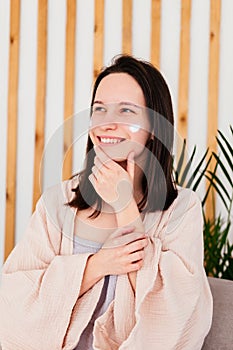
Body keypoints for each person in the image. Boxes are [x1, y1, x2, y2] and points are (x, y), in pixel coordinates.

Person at [0, 55, 213, 350]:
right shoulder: (58, 202)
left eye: (126, 110)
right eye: (99, 109)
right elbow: (11, 304)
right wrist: (96, 265)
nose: (107, 123)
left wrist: (125, 207)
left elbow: (177, 319)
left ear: (154, 128)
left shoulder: (181, 209)